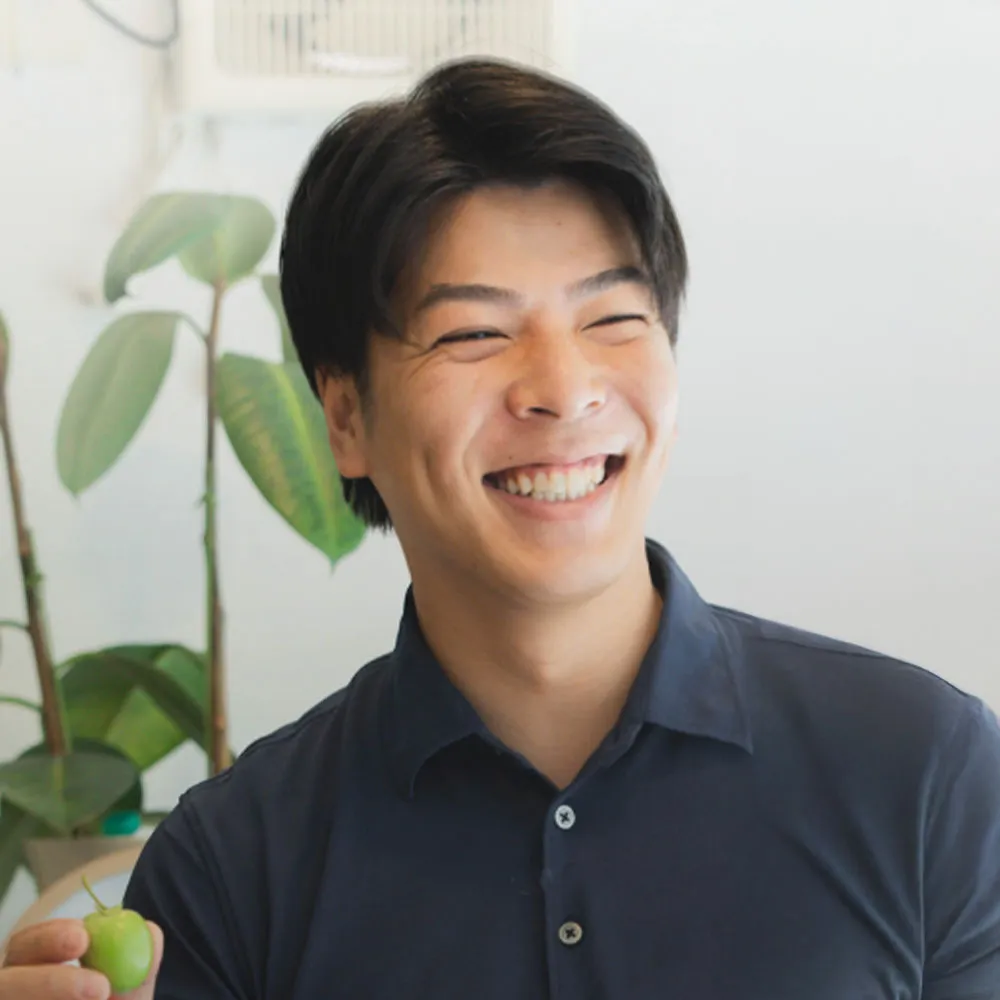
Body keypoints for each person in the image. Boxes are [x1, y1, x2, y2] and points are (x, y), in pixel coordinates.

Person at [3, 56, 999, 1000]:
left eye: (612, 319)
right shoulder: (233, 868)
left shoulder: (926, 776)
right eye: (475, 332)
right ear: (345, 418)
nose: (564, 388)